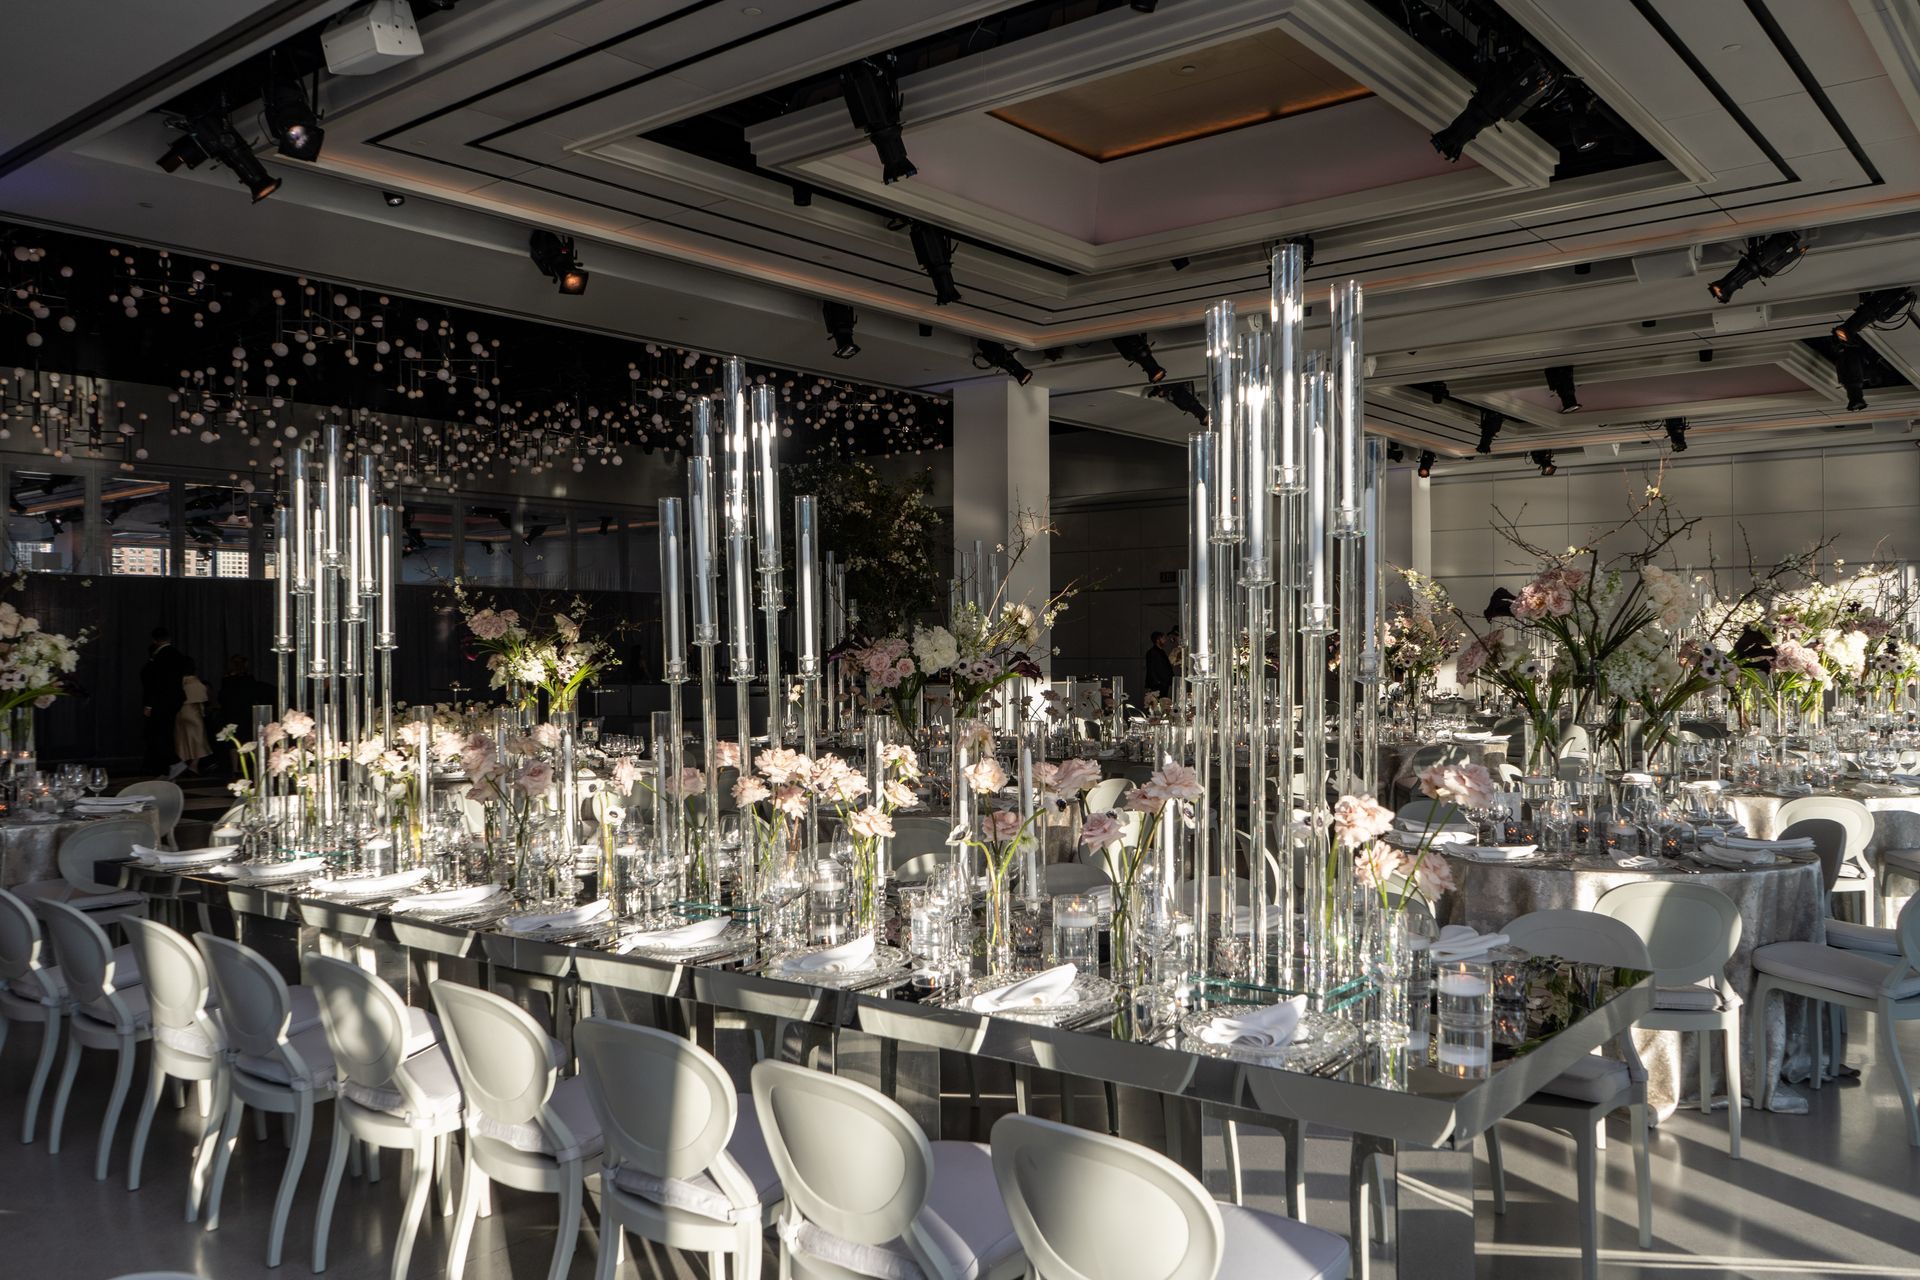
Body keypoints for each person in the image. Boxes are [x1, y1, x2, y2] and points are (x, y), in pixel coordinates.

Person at [139, 627, 192, 774]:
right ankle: (168, 767)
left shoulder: (160, 657)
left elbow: (154, 682)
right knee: (164, 732)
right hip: (174, 700)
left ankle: (174, 762)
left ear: (154, 640)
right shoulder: (177, 655)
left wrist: (149, 704)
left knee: (158, 733)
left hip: (160, 701)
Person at [216, 656, 275, 772]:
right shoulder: (249, 679)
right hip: (246, 712)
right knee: (245, 739)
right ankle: (244, 768)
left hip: (231, 712)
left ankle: (235, 768)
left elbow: (222, 697)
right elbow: (255, 695)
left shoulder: (227, 680)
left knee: (233, 741)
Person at [174, 667, 211, 778]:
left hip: (180, 712)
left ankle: (182, 764)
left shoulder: (179, 681)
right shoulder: (196, 682)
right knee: (199, 740)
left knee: (182, 740)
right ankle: (193, 766)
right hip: (193, 712)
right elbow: (203, 698)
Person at [1143, 630, 1174, 701]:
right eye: (1163, 638)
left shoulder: (1161, 651)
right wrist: (1158, 682)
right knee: (1158, 703)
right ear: (1158, 640)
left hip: (1163, 683)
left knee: (1163, 701)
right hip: (1158, 684)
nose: (1165, 640)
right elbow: (1151, 669)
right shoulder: (1152, 652)